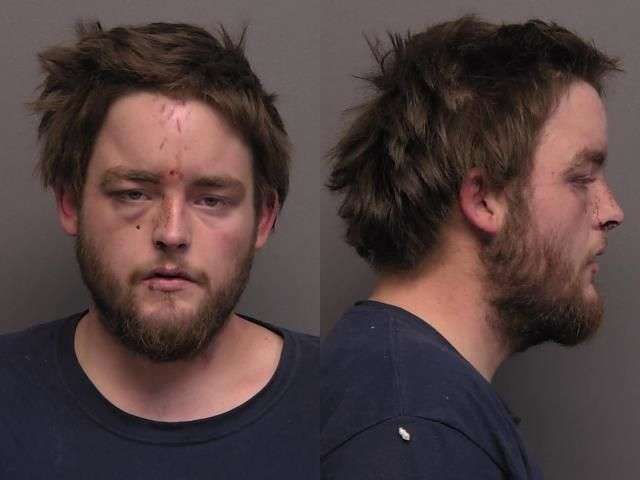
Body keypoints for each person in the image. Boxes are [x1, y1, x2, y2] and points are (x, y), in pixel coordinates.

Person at [0, 21, 317, 478]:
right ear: (70, 202)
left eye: (211, 199)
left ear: (264, 218)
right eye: (134, 193)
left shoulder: (339, 401)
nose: (171, 233)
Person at [322, 15, 624, 479]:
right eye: (581, 178)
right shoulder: (411, 433)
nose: (612, 211)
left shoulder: (411, 404)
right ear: (484, 200)